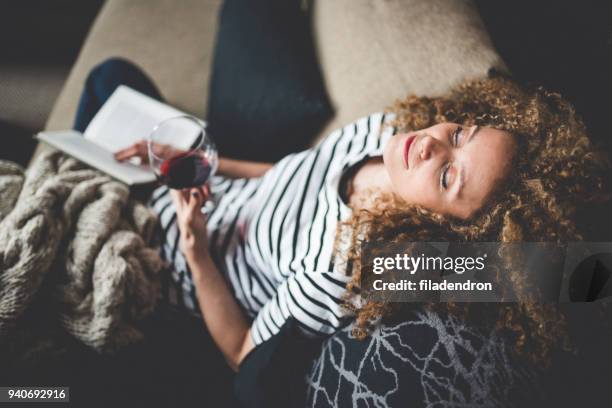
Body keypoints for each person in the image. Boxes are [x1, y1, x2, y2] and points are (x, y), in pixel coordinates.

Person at [77, 58, 610, 372]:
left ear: (453, 229)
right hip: (190, 186)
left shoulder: (343, 272)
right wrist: (197, 162)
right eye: (458, 134)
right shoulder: (385, 132)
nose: (428, 145)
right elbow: (296, 172)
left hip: (161, 259)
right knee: (111, 76)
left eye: (449, 177)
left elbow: (243, 352)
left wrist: (196, 252)